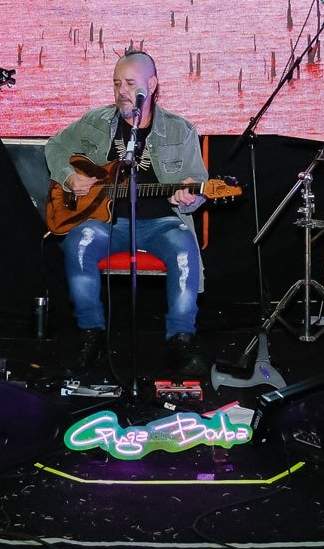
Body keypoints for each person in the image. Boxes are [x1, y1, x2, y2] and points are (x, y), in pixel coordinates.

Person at [45, 50, 208, 377]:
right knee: (78, 243)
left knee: (184, 249)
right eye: (117, 83)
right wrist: (69, 177)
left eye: (130, 83)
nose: (121, 91)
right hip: (107, 223)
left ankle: (181, 340)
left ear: (152, 84)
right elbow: (55, 146)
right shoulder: (95, 122)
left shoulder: (181, 130)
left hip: (162, 223)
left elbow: (199, 185)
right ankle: (90, 334)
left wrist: (190, 196)